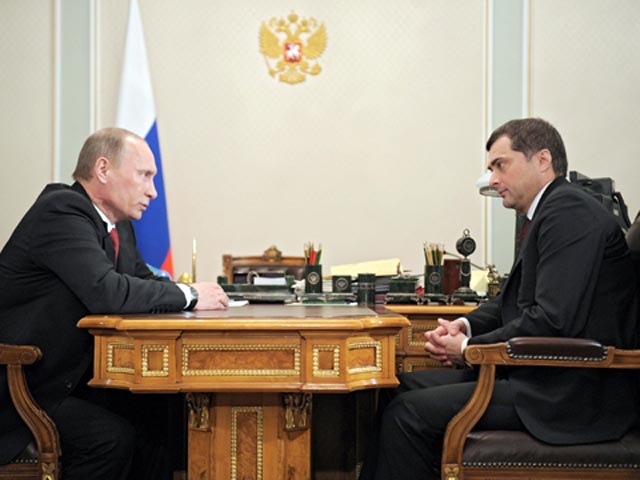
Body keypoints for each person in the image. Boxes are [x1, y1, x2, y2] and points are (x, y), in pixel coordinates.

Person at [360, 118, 639, 479]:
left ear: (542, 160)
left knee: (407, 413)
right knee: (398, 389)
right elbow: (512, 299)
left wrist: (468, 349)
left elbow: (553, 320)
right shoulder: (551, 210)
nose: (492, 180)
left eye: (500, 165)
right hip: (546, 378)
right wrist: (465, 325)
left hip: (573, 393)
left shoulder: (570, 214)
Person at [0, 127, 229, 479]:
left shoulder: (117, 226)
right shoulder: (61, 211)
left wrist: (202, 297)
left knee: (162, 409)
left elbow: (143, 281)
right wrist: (192, 295)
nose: (152, 191)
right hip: (24, 389)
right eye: (144, 176)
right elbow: (109, 292)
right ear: (103, 169)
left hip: (69, 377)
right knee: (110, 439)